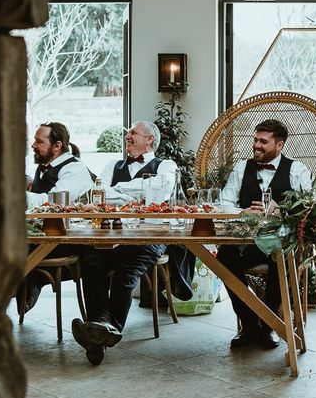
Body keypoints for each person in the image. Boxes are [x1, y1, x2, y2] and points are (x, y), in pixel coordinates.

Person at [70, 120, 196, 366]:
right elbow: (99, 194)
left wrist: (119, 191)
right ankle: (101, 329)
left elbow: (160, 192)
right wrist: (137, 195)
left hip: (151, 236)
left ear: (150, 140)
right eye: (128, 133)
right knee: (90, 261)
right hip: (112, 235)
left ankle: (104, 331)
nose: (127, 136)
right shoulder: (112, 165)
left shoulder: (166, 165)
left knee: (126, 272)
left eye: (134, 132)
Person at [217, 119, 312, 349]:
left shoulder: (297, 170)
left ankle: (269, 326)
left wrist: (282, 210)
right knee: (224, 259)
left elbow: (310, 206)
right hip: (246, 242)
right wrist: (243, 212)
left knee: (280, 258)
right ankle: (249, 324)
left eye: (263, 141)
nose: (256, 145)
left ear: (279, 146)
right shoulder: (242, 168)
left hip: (280, 241)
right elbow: (223, 203)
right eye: (255, 140)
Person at [20, 122, 92, 313]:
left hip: (68, 239)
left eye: (39, 141)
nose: (33, 145)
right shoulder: (43, 167)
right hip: (41, 235)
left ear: (57, 145)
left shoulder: (74, 170)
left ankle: (26, 284)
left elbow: (52, 205)